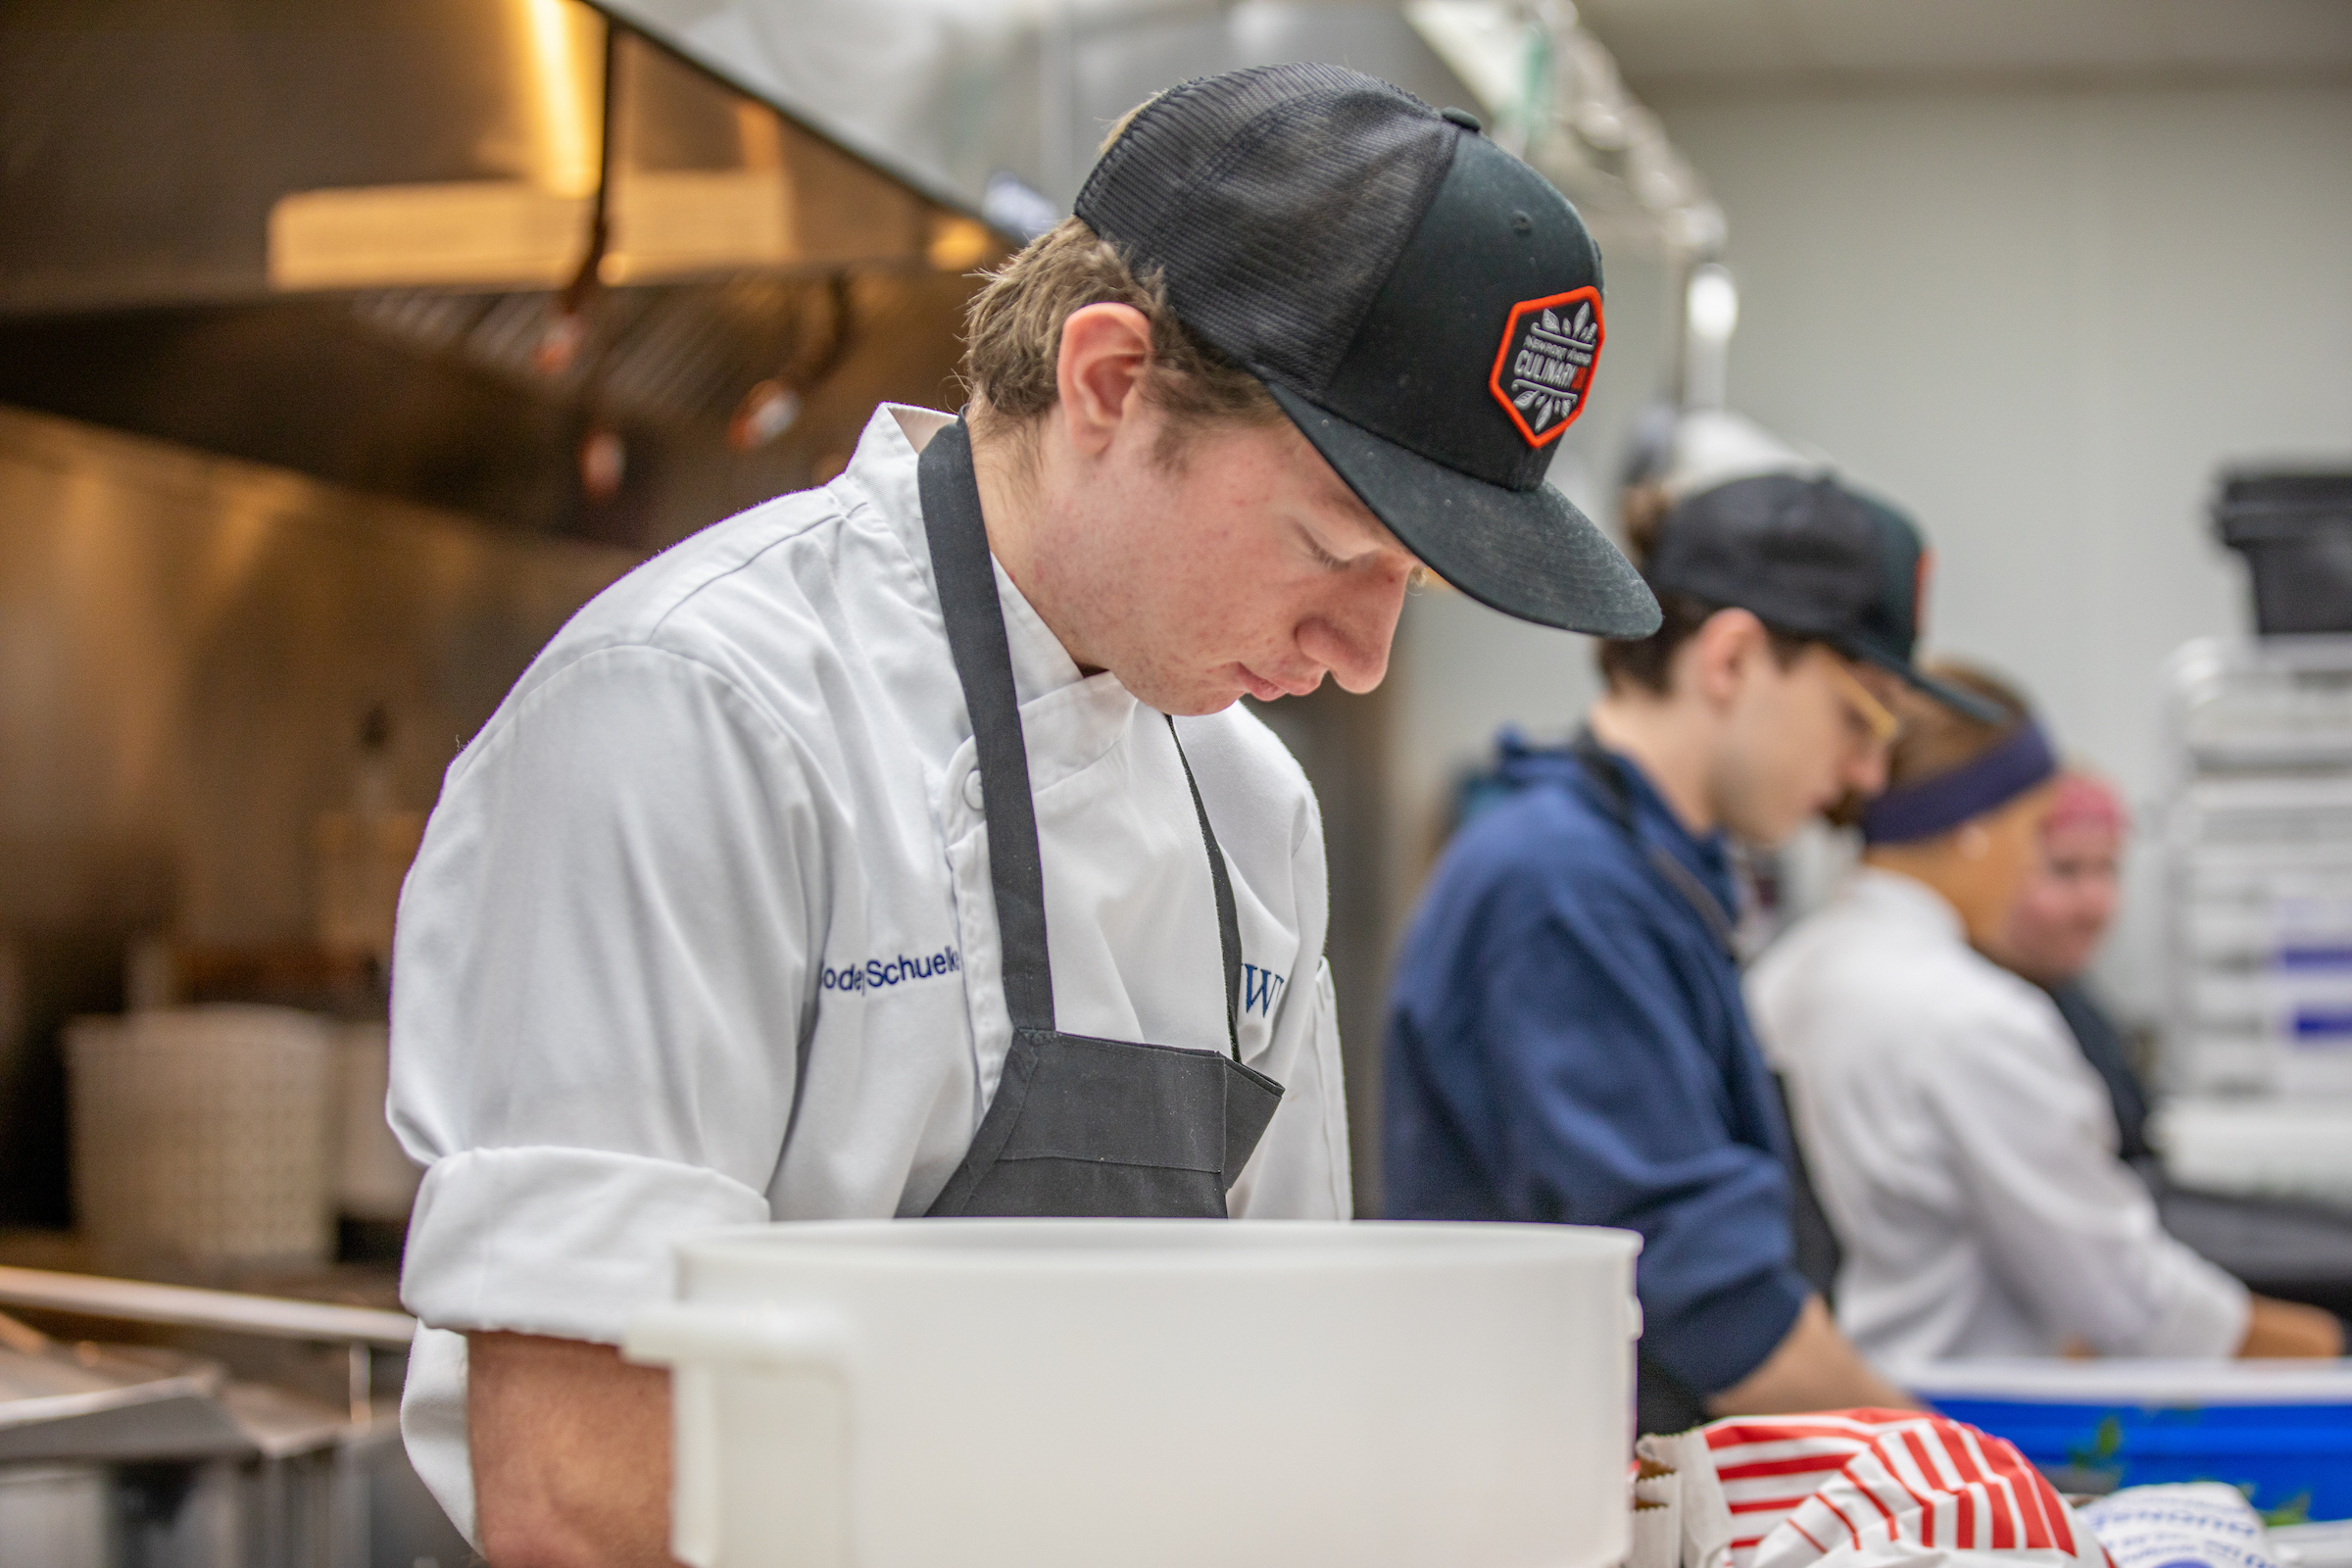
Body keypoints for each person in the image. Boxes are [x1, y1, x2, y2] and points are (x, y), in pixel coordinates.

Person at [387, 65, 1662, 1566]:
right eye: (1333, 550)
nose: (1364, 659)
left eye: (1414, 593)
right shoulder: (696, 713)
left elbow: (1291, 1392)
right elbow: (582, 1500)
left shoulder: (1249, 807)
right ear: (1110, 383)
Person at [1385, 468, 1989, 1434]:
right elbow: (1719, 1307)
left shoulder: (1653, 876)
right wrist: (1982, 1480)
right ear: (1733, 658)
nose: (1866, 775)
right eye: (1861, 715)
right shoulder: (1563, 888)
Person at [1746, 662, 2342, 1374]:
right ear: (1973, 829)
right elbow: (2124, 1297)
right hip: (1956, 1423)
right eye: (2034, 832)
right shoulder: (1970, 1016)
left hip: (1834, 1409)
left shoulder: (1780, 978)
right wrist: (2324, 1349)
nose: (2031, 866)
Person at [1976, 770, 2154, 1167]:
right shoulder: (1980, 1021)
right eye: (2064, 870)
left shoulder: (2070, 1000)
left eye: (2108, 869)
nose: (2096, 904)